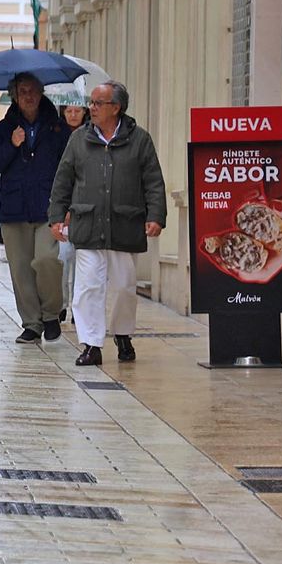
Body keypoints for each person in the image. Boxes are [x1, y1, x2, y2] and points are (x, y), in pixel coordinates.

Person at [49, 81, 167, 366]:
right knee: (88, 287)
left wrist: (156, 216)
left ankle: (123, 333)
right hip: (88, 224)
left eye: (98, 103)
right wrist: (56, 216)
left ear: (116, 108)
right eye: (92, 102)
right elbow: (63, 179)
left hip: (124, 224)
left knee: (124, 286)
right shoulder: (79, 139)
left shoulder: (139, 139)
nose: (92, 107)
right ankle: (91, 344)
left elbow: (153, 180)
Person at [0, 73, 70, 344]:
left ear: (41, 92)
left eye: (32, 90)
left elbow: (71, 168)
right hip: (14, 209)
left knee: (46, 260)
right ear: (15, 96)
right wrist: (12, 144)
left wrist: (67, 205)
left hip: (48, 208)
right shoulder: (3, 129)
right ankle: (32, 323)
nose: (28, 95)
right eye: (22, 91)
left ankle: (52, 313)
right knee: (21, 269)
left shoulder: (57, 128)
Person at [57, 102, 88, 319]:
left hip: (85, 206)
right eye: (69, 111)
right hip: (62, 206)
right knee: (62, 258)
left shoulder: (91, 137)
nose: (73, 114)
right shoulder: (56, 137)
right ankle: (61, 304)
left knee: (82, 262)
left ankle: (78, 308)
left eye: (78, 110)